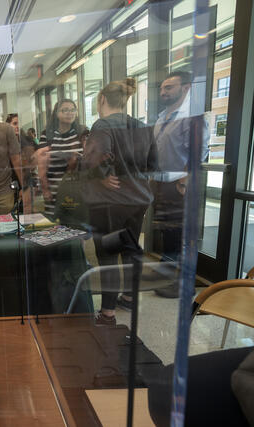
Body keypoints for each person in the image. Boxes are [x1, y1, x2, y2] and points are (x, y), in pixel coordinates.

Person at [80, 78, 158, 326]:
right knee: (132, 249)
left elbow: (91, 160)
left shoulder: (102, 125)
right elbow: (153, 163)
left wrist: (102, 176)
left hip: (110, 203)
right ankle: (129, 297)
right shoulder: (141, 125)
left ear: (102, 99)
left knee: (108, 255)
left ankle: (108, 313)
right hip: (138, 199)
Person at [152, 71, 210, 298]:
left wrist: (184, 182)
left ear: (185, 88)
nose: (163, 92)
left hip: (179, 186)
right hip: (162, 184)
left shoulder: (192, 117)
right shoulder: (163, 116)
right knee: (169, 233)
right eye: (162, 88)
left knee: (179, 234)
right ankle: (167, 277)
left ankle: (179, 284)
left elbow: (198, 153)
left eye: (169, 87)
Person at [32, 99, 88, 218]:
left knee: (77, 223)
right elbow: (42, 164)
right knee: (56, 224)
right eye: (65, 110)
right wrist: (45, 189)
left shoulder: (81, 132)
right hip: (54, 189)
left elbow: (89, 158)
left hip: (77, 188)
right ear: (57, 113)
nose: (70, 113)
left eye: (73, 110)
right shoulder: (47, 134)